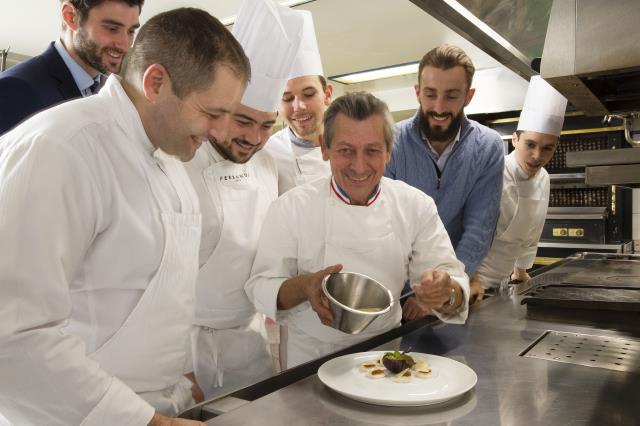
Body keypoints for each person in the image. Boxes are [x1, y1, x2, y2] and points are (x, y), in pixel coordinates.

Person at [0, 8, 249, 425]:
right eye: (212, 113)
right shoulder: (61, 148)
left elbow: (152, 289)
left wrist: (179, 372)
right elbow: (14, 335)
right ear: (155, 83)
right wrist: (147, 421)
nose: (222, 134)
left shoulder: (170, 157)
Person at [245, 92, 469, 368]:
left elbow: (452, 283)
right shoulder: (290, 208)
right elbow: (260, 288)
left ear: (388, 151)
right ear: (324, 148)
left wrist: (445, 292)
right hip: (309, 362)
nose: (359, 166)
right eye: (345, 150)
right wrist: (304, 287)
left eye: (372, 151)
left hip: (384, 357)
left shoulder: (415, 206)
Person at [186, 0, 305, 399]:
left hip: (250, 344)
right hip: (184, 349)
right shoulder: (179, 160)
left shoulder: (269, 165)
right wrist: (177, 368)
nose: (254, 138)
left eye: (266, 126)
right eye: (242, 121)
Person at [385, 45, 504, 320]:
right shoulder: (390, 140)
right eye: (430, 94)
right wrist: (413, 291)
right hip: (395, 293)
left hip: (452, 291)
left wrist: (442, 288)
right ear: (417, 92)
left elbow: (479, 230)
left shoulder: (488, 147)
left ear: (468, 96)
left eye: (451, 96)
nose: (439, 108)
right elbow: (387, 226)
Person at [473, 76, 567, 300]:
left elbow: (532, 233)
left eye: (547, 148)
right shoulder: (492, 173)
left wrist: (521, 270)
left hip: (504, 284)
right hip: (472, 283)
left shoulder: (544, 178)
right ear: (515, 139)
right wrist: (469, 279)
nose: (537, 156)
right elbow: (468, 233)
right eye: (530, 145)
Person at [0, 0, 143, 135]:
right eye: (112, 29)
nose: (125, 45)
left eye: (131, 31)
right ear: (70, 17)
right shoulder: (16, 90)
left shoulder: (112, 93)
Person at [264, 10, 332, 195]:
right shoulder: (267, 154)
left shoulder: (353, 141)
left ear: (327, 94)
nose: (298, 106)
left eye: (308, 94)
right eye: (286, 98)